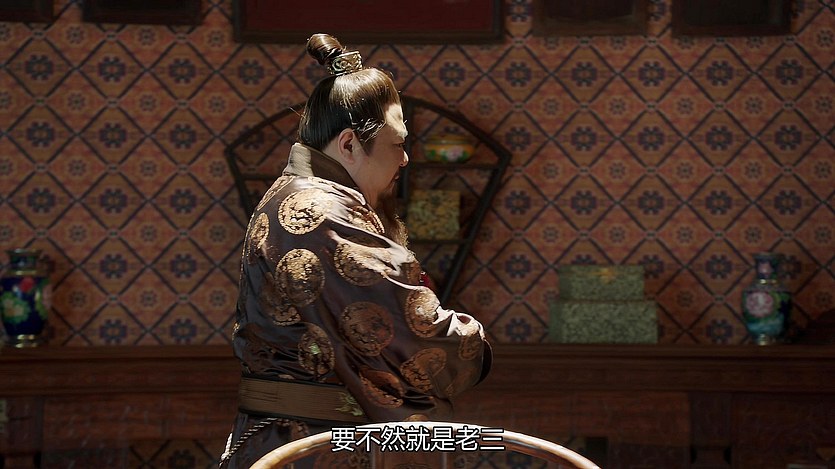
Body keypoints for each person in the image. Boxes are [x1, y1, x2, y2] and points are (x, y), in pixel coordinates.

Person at [219, 33, 492, 468]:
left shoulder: (301, 196)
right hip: (314, 446)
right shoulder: (320, 211)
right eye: (397, 144)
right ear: (348, 144)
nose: (405, 160)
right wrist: (471, 341)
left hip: (303, 438)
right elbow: (408, 330)